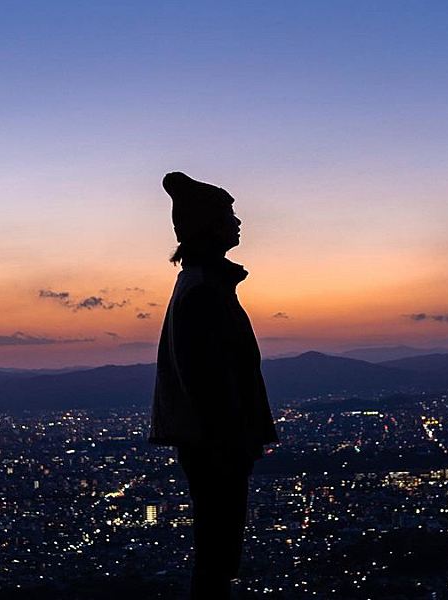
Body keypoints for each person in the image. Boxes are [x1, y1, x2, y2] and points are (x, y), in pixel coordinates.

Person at [148, 172, 279, 599]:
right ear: (209, 226)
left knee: (217, 551)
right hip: (216, 443)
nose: (238, 221)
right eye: (228, 215)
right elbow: (211, 377)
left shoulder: (202, 284)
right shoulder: (205, 290)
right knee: (218, 554)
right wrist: (234, 439)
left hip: (211, 441)